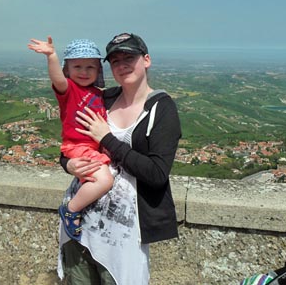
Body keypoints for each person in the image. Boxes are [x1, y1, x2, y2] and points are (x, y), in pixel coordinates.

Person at [57, 33, 182, 285]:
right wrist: (67, 164)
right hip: (78, 222)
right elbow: (72, 142)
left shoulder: (161, 108)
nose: (122, 64)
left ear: (146, 60)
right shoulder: (104, 98)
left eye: (129, 57)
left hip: (123, 233)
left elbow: (157, 174)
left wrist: (107, 139)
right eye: (115, 60)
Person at [28, 36, 114, 241]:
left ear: (98, 71)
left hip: (92, 148)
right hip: (78, 146)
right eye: (77, 67)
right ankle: (71, 209)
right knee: (105, 180)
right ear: (68, 69)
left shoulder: (97, 93)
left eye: (90, 67)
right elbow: (57, 79)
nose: (84, 72)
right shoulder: (69, 90)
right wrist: (51, 56)